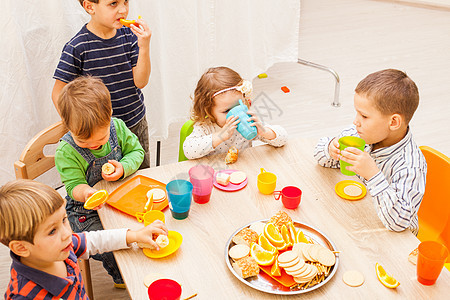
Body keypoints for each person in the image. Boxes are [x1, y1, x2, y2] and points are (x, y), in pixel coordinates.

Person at [0, 179, 168, 299]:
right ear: (21, 248)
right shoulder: (24, 295)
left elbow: (95, 241)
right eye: (52, 231)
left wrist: (135, 235)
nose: (67, 233)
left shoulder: (63, 246)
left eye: (64, 220)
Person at [55, 76, 145, 287]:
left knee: (145, 224)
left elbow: (136, 152)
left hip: (120, 193)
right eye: (84, 141)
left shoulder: (118, 127)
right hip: (84, 211)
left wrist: (123, 167)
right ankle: (121, 277)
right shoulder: (66, 151)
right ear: (67, 127)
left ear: (110, 116)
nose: (94, 146)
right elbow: (73, 185)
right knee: (108, 244)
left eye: (101, 139)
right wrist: (86, 193)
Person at [314, 69, 427, 235]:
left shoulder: (410, 166)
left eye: (364, 116)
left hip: (391, 238)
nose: (355, 121)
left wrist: (373, 175)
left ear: (394, 122)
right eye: (357, 113)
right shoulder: (360, 134)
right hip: (358, 217)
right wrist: (331, 149)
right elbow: (320, 157)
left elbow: (399, 222)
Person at [52, 0, 152, 169]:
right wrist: (77, 125)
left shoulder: (129, 36)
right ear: (90, 7)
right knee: (107, 181)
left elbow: (140, 82)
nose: (123, 10)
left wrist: (144, 47)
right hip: (98, 134)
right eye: (113, 4)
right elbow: (58, 93)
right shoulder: (77, 47)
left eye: (125, 2)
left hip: (135, 123)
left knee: (140, 176)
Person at [183, 66, 288, 159]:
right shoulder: (206, 127)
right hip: (216, 173)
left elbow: (283, 139)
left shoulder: (247, 121)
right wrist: (220, 136)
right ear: (208, 110)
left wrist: (264, 132)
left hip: (242, 171)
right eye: (227, 111)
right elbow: (188, 151)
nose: (236, 114)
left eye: (239, 106)